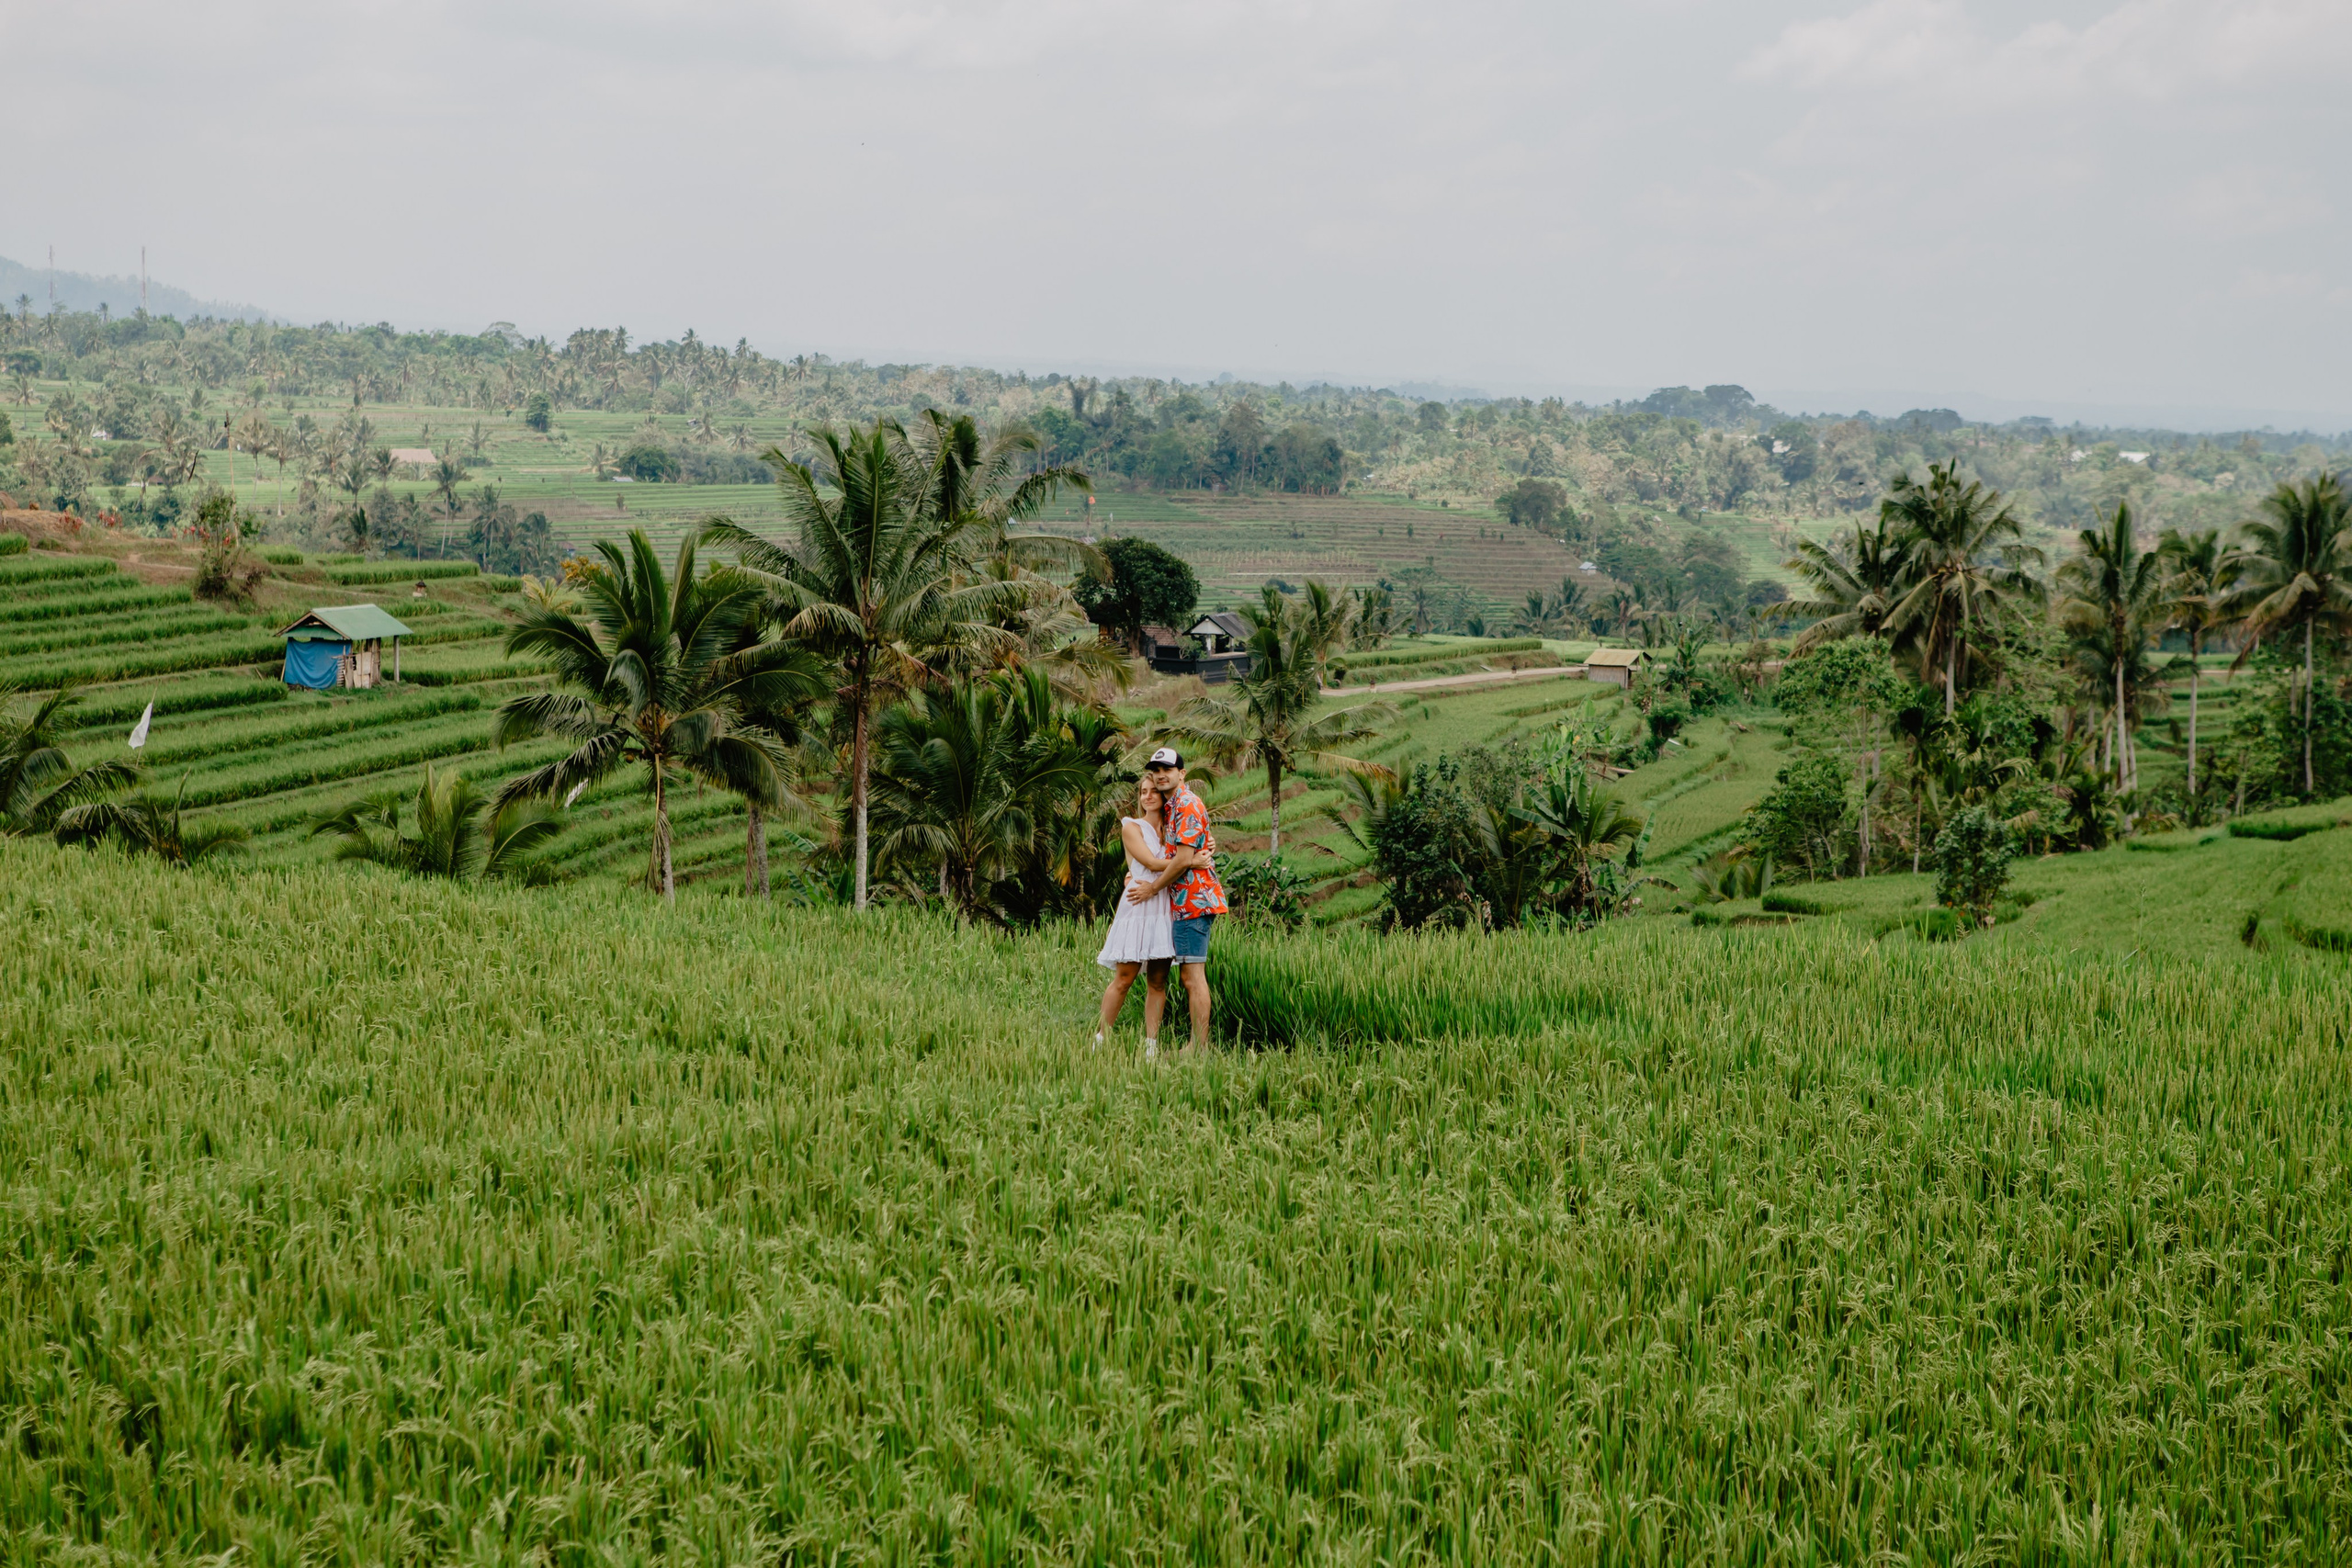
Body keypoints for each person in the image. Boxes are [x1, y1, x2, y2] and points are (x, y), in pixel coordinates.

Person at [1094, 779, 1192, 1060]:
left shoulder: (1175, 827)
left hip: (1163, 906)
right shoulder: (1131, 827)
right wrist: (1189, 860)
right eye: (1142, 792)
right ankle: (1099, 1040)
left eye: (1153, 791)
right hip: (1139, 905)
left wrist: (1193, 856)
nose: (1147, 796)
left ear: (1164, 795)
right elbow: (1149, 863)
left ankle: (1151, 1047)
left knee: (1158, 981)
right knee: (1124, 978)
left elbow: (1203, 844)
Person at [1139, 746, 1226, 1055]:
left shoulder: (1186, 804)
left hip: (1193, 901)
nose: (1161, 775)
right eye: (1156, 770)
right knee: (1189, 975)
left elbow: (1183, 859)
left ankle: (1198, 1047)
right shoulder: (1172, 806)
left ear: (1182, 774)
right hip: (1182, 901)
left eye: (1167, 770)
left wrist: (1151, 889)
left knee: (1192, 976)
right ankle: (1196, 1044)